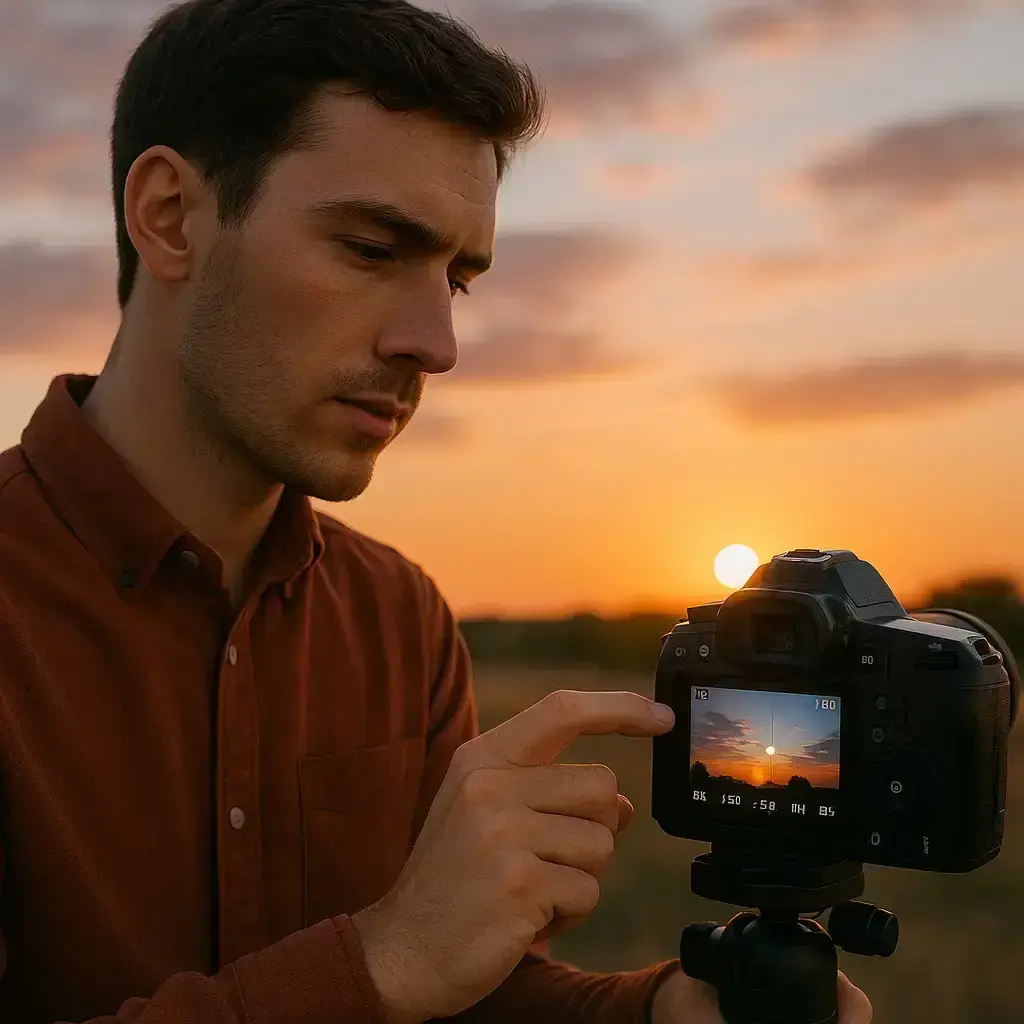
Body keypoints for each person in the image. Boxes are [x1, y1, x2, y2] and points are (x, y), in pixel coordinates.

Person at [0, 1, 873, 1022]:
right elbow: (401, 969)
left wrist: (644, 1013)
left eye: (456, 280)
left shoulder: (398, 618)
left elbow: (451, 995)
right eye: (372, 248)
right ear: (170, 215)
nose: (435, 343)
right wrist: (381, 959)